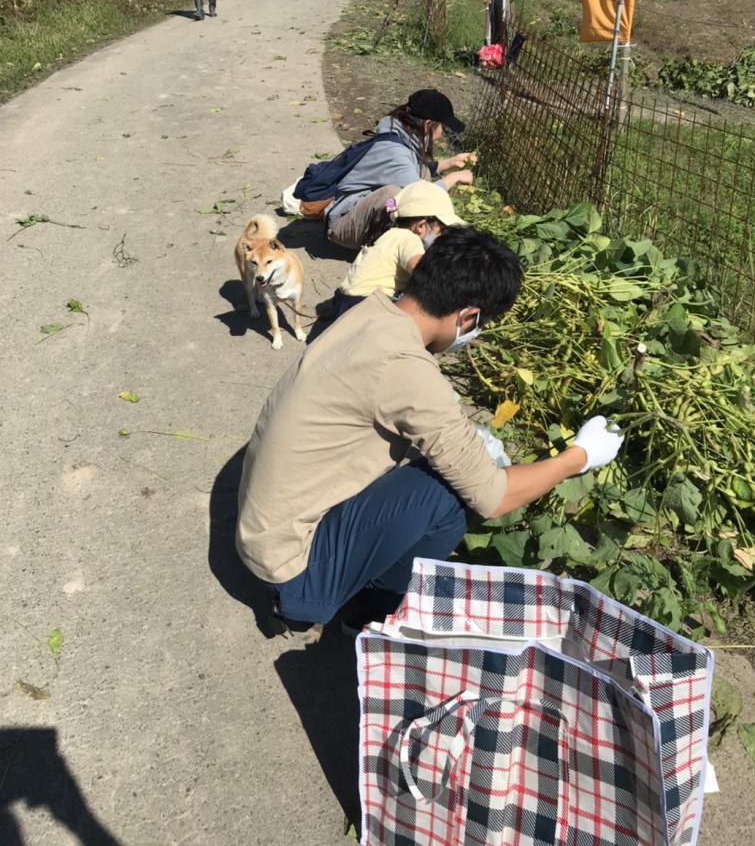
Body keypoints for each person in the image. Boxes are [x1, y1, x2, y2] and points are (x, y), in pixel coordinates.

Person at [236, 226, 624, 630]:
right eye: (480, 325)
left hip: (262, 534)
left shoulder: (371, 313)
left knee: (433, 463)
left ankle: (350, 583)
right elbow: (494, 496)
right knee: (452, 495)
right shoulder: (405, 369)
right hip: (290, 573)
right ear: (469, 316)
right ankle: (370, 611)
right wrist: (579, 456)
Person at [324, 88, 475, 251]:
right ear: (428, 125)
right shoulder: (394, 152)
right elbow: (420, 194)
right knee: (393, 196)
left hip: (359, 211)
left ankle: (414, 241)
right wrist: (453, 177)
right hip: (341, 225)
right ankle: (399, 249)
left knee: (420, 175)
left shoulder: (401, 133)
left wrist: (450, 163)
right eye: (443, 127)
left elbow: (412, 172)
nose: (443, 133)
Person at [331, 180, 466, 317]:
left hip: (345, 301)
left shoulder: (389, 234)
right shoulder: (409, 239)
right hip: (366, 306)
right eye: (441, 230)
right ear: (421, 226)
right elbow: (423, 273)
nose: (442, 237)